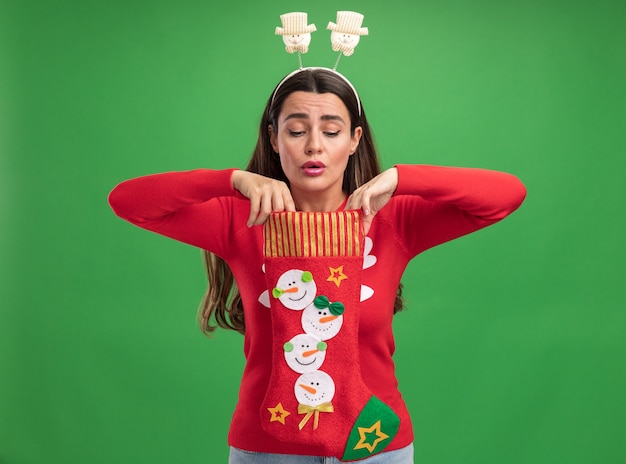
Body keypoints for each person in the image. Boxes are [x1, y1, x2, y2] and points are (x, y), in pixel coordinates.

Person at [108, 68, 526, 463]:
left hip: (375, 445)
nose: (314, 146)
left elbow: (506, 195)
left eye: (331, 130)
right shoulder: (241, 219)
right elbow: (127, 201)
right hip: (266, 447)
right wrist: (231, 180)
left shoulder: (391, 219)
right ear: (273, 138)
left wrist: (401, 178)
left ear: (354, 139)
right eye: (295, 130)